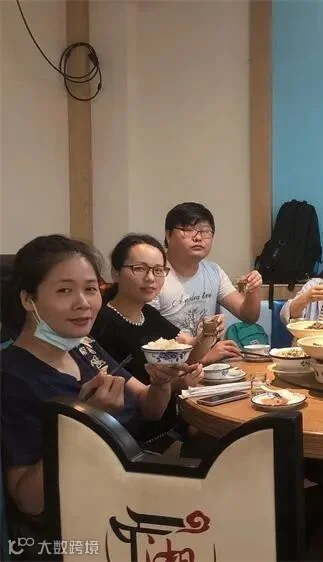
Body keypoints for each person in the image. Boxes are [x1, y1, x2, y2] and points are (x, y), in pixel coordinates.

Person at [0, 235, 202, 521]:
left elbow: (150, 408)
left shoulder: (84, 347)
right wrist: (87, 418)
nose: (83, 303)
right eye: (65, 290)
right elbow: (28, 501)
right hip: (90, 517)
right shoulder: (11, 375)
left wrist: (160, 382)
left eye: (91, 289)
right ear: (28, 299)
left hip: (134, 479)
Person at [91, 234, 212, 447]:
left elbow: (188, 353)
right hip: (142, 439)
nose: (150, 278)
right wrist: (178, 383)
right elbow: (131, 399)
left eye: (158, 270)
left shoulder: (147, 313)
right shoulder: (102, 324)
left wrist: (208, 333)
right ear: (115, 273)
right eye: (139, 268)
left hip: (173, 421)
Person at [150, 202, 262, 361]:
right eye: (188, 230)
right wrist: (207, 356)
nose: (198, 237)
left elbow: (248, 316)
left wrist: (253, 289)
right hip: (168, 365)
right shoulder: (153, 275)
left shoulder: (213, 272)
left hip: (207, 365)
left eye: (205, 231)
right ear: (168, 235)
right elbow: (150, 333)